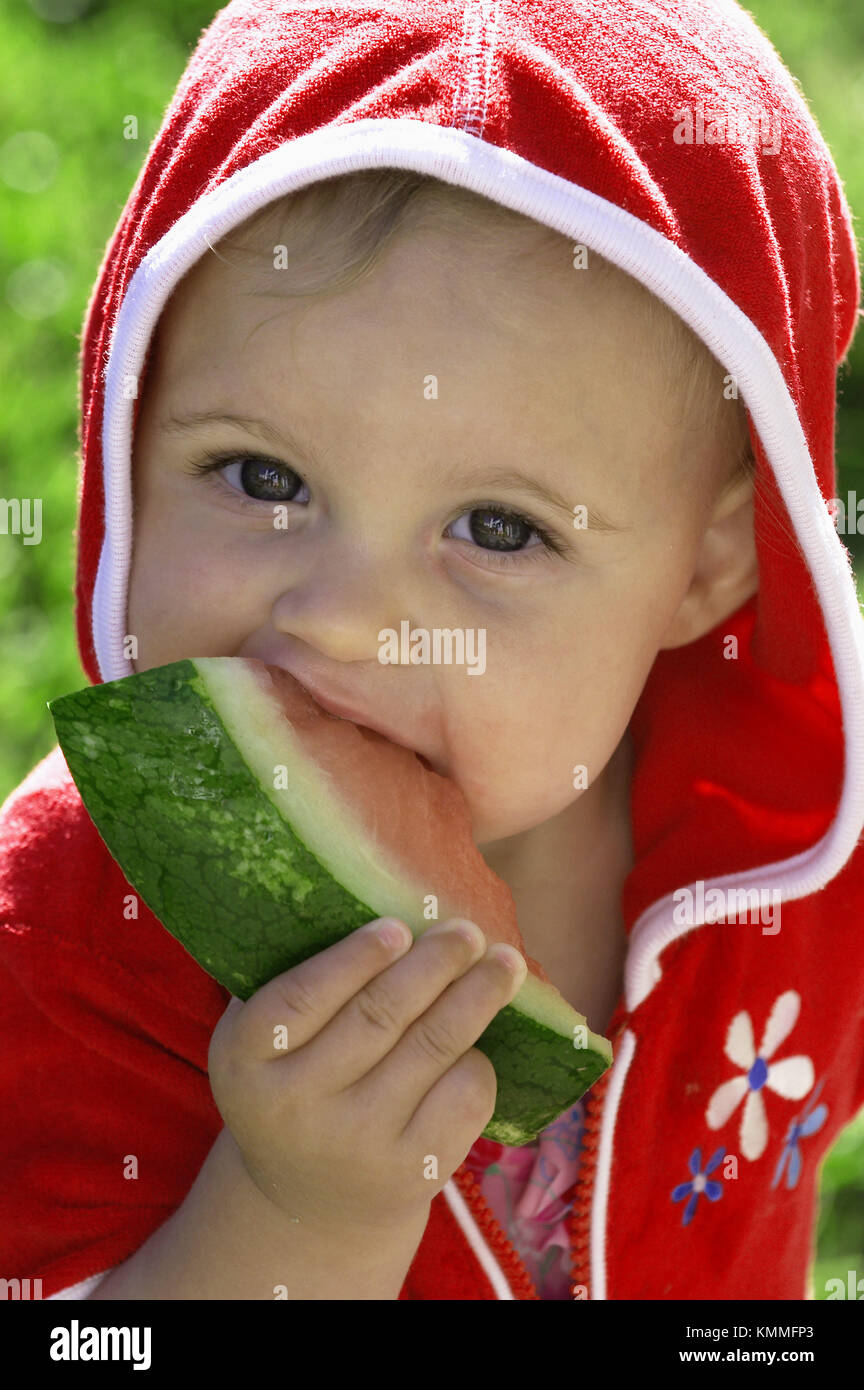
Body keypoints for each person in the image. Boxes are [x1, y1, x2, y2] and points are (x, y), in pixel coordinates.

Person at [1, 0, 861, 1301]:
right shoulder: (65, 933)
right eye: (258, 472)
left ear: (708, 563)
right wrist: (292, 1221)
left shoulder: (794, 851)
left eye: (497, 527)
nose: (347, 615)